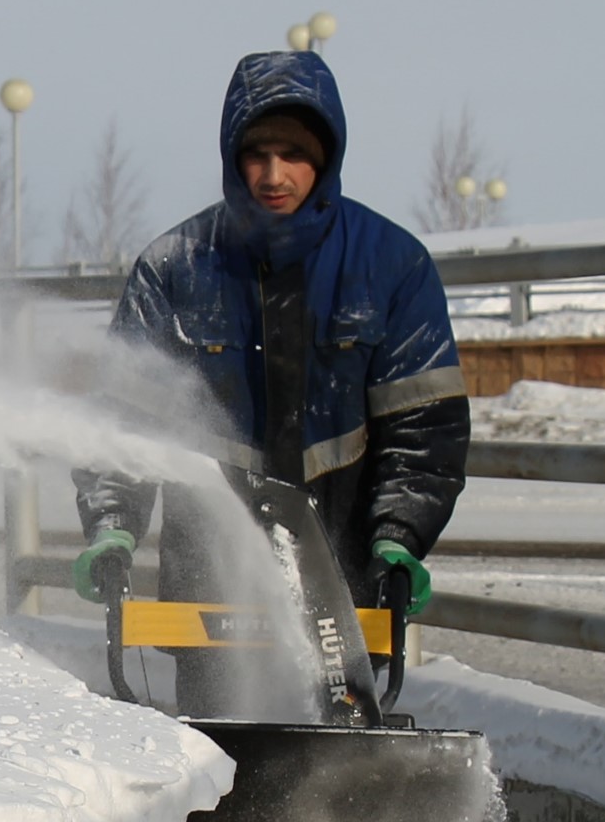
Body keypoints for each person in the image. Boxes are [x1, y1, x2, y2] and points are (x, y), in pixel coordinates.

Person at [69, 50, 468, 673]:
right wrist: (113, 528)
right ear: (232, 156)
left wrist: (399, 538)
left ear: (326, 157)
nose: (274, 175)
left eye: (294, 154)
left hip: (348, 570)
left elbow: (423, 429)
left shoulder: (393, 265)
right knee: (216, 733)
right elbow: (123, 421)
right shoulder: (175, 267)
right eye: (257, 154)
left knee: (345, 727)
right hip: (209, 574)